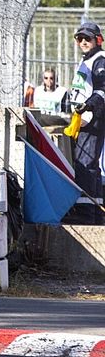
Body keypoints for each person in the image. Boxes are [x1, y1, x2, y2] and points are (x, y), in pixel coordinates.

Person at [67, 21, 105, 218]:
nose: (83, 41)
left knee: (85, 164)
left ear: (98, 40)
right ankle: (96, 211)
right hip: (83, 120)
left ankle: (86, 213)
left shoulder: (100, 60)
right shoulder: (87, 60)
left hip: (93, 120)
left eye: (87, 38)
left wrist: (88, 106)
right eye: (79, 38)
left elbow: (102, 90)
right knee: (88, 164)